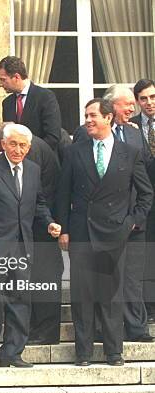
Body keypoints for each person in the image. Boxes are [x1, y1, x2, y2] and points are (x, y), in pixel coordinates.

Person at [56, 98, 153, 366]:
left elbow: (146, 194)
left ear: (108, 118)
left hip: (114, 233)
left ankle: (114, 352)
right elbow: (63, 194)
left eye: (92, 116)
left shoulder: (129, 151)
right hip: (82, 233)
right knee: (83, 295)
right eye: (86, 115)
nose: (87, 120)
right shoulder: (75, 151)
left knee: (111, 295)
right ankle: (83, 353)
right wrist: (63, 229)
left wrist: (132, 221)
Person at [0, 123, 61, 368]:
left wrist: (49, 222)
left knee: (21, 300)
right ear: (3, 144)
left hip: (22, 245)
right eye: (13, 144)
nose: (18, 149)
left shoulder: (33, 170)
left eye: (23, 145)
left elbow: (38, 203)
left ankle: (13, 352)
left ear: (29, 148)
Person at [0, 122, 64, 345]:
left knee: (41, 280)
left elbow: (31, 195)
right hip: (39, 222)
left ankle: (43, 331)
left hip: (39, 226)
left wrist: (48, 222)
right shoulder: (31, 147)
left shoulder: (29, 153)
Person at [0, 56, 62, 153]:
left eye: (3, 79)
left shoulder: (45, 97)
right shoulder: (7, 103)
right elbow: (8, 135)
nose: (0, 84)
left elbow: (53, 137)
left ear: (16, 77)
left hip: (41, 161)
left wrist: (25, 153)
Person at [132, 78, 155, 319]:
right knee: (147, 253)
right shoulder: (132, 126)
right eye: (144, 98)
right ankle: (148, 306)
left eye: (153, 97)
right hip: (143, 200)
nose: (149, 103)